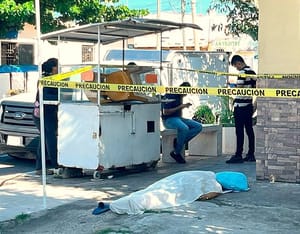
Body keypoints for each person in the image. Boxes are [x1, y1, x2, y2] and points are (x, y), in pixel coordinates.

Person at [161, 82, 202, 164]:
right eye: (186, 92)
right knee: (184, 128)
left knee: (198, 126)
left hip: (179, 118)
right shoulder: (170, 95)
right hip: (168, 120)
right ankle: (176, 152)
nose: (186, 94)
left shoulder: (180, 96)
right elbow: (165, 112)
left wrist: (184, 105)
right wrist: (181, 106)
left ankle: (179, 141)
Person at [226, 55, 256, 164]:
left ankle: (238, 155)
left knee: (239, 131)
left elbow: (239, 88)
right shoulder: (252, 72)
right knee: (249, 130)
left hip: (240, 106)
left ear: (238, 63)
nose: (236, 68)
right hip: (248, 104)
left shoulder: (242, 73)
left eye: (235, 66)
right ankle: (251, 154)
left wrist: (231, 85)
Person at [33, 58, 59, 175]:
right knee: (50, 139)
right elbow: (45, 96)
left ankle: (40, 167)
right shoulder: (45, 79)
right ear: (52, 67)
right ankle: (56, 165)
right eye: (57, 66)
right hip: (45, 113)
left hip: (44, 113)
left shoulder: (51, 78)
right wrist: (60, 98)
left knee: (44, 139)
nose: (59, 69)